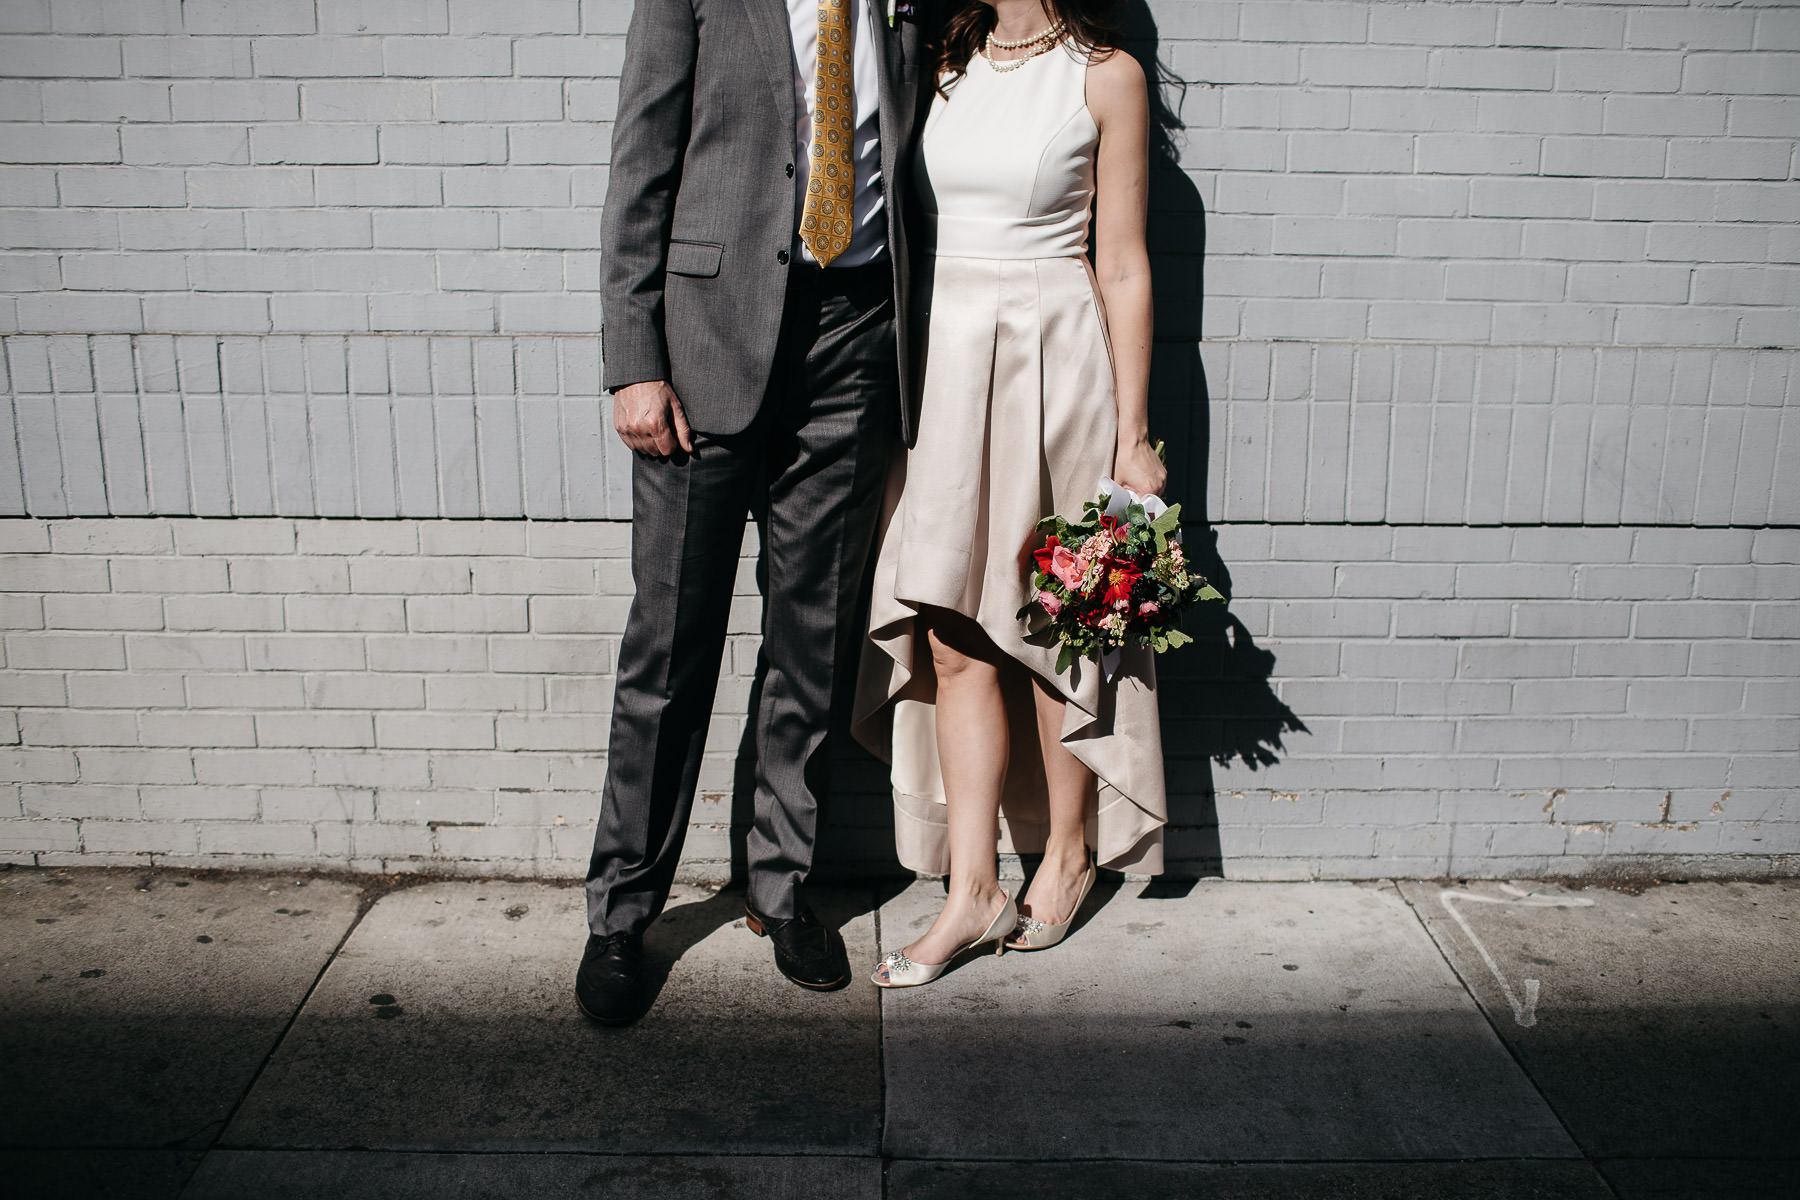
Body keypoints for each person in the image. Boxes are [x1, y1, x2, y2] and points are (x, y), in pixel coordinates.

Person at [578, 0, 937, 1024]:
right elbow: (639, 163)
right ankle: (620, 911)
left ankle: (779, 887)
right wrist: (634, 361)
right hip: (706, 348)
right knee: (670, 645)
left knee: (811, 642)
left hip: (853, 340)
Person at [851, 0, 1167, 987]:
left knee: (1054, 623)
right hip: (947, 359)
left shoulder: (1106, 73)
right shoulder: (940, 61)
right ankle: (972, 891)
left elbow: (1120, 261)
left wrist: (1134, 436)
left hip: (1058, 360)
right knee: (951, 629)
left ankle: (1067, 855)